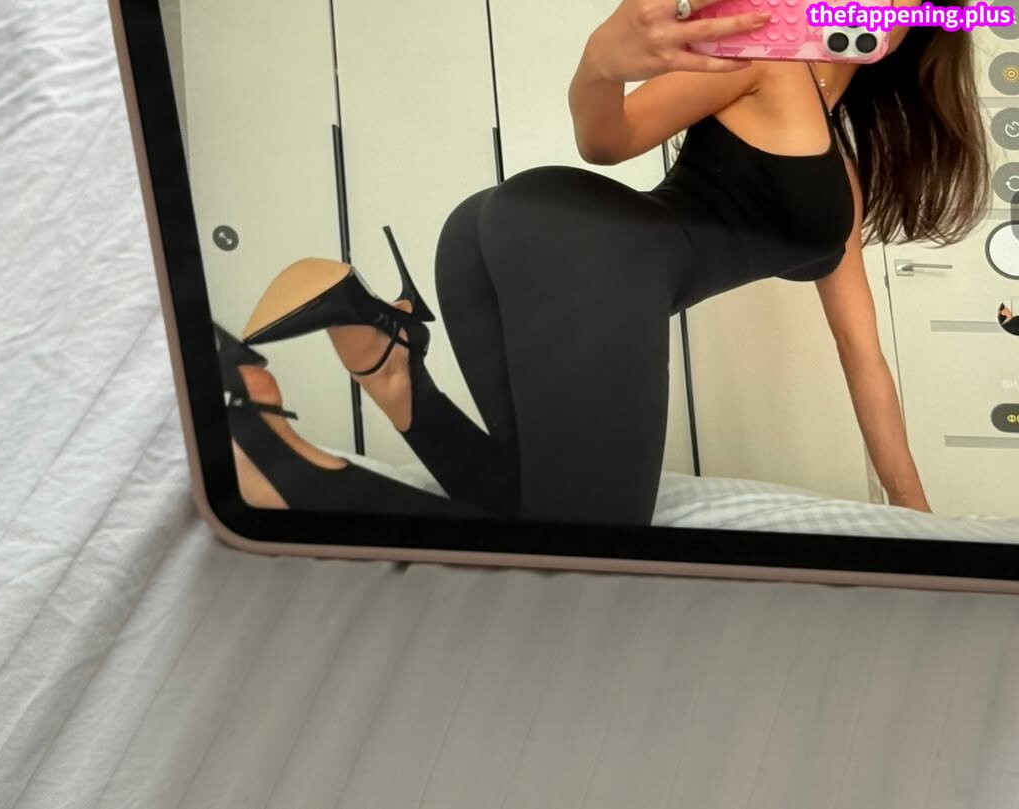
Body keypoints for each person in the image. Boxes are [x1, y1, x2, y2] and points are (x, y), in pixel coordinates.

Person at [217, 0, 989, 524]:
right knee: (590, 558)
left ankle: (394, 368)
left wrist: (911, 509)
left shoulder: (839, 170)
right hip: (584, 245)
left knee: (533, 508)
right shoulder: (765, 62)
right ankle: (288, 475)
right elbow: (607, 139)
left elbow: (862, 352)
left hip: (514, 234)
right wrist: (599, 63)